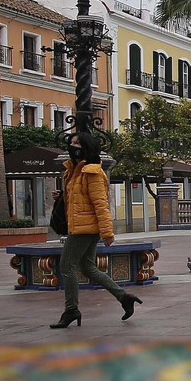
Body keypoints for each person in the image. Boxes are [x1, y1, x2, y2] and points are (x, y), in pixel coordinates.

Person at [51, 131, 140, 328]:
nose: (73, 146)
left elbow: (101, 204)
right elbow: (79, 200)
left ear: (87, 148)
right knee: (88, 268)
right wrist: (62, 196)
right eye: (71, 142)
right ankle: (124, 297)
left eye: (77, 144)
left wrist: (107, 232)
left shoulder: (92, 173)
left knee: (67, 266)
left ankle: (71, 310)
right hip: (81, 226)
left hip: (85, 229)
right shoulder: (73, 171)